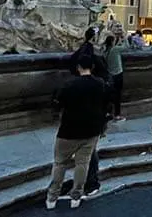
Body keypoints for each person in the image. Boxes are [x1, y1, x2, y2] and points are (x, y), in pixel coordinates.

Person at [46, 55, 108, 210]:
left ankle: (52, 197)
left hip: (69, 130)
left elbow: (58, 103)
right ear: (92, 67)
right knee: (83, 164)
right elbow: (106, 104)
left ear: (78, 67)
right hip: (91, 130)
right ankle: (76, 196)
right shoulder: (100, 84)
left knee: (60, 163)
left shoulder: (69, 85)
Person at [103, 35, 126, 122]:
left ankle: (108, 113)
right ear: (112, 42)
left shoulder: (105, 52)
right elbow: (126, 47)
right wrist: (124, 39)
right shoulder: (115, 50)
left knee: (109, 96)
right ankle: (117, 115)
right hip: (118, 75)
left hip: (109, 76)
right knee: (118, 96)